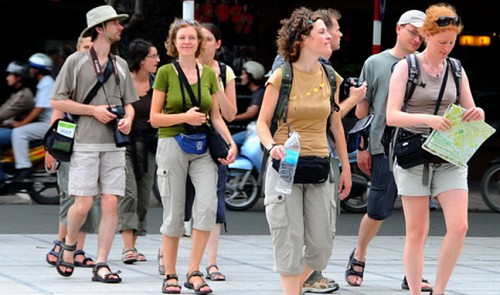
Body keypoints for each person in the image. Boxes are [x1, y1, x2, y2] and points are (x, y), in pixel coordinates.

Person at [386, 4, 484, 294]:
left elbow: (471, 108)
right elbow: (391, 116)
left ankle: (439, 290)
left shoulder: (456, 68)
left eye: (452, 42)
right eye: (442, 42)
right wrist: (428, 119)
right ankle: (416, 291)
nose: (447, 48)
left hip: (449, 153)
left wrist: (476, 113)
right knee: (416, 232)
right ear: (427, 35)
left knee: (459, 226)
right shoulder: (406, 67)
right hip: (413, 153)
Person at [255, 7, 351, 295]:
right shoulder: (282, 76)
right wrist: (272, 146)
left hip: (320, 164)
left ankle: (293, 287)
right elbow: (261, 122)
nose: (329, 36)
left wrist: (345, 166)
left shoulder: (330, 75)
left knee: (322, 245)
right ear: (303, 39)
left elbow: (335, 123)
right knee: (289, 238)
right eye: (322, 32)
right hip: (285, 164)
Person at [347, 10, 433, 292]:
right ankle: (359, 253)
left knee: (417, 215)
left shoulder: (428, 63)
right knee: (378, 209)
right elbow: (363, 110)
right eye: (412, 32)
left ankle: (413, 272)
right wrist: (362, 147)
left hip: (419, 147)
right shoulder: (376, 63)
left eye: (422, 35)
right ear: (398, 29)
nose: (417, 39)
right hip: (383, 145)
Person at [50, 5, 137, 283]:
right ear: (100, 28)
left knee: (111, 201)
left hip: (114, 142)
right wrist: (93, 111)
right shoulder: (75, 61)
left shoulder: (120, 64)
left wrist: (129, 119)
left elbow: (129, 104)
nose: (120, 27)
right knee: (83, 203)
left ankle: (102, 262)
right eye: (114, 23)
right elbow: (57, 101)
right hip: (84, 142)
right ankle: (69, 245)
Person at [150, 18, 237, 294]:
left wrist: (230, 141)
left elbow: (216, 116)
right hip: (172, 143)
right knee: (174, 212)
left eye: (192, 37)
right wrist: (184, 117)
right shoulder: (165, 72)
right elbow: (154, 118)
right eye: (182, 38)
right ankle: (171, 274)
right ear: (174, 43)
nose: (187, 42)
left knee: (208, 207)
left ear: (199, 42)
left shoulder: (210, 74)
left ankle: (194, 271)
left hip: (203, 147)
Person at [45, 35, 98, 269]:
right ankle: (61, 244)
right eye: (85, 47)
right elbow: (58, 112)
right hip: (69, 139)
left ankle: (77, 248)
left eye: (92, 48)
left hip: (95, 142)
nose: (89, 51)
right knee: (70, 195)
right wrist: (51, 149)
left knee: (88, 198)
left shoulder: (105, 74)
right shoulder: (70, 73)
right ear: (77, 49)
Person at [118, 38, 159, 264]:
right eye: (153, 56)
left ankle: (133, 245)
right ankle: (126, 247)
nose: (157, 60)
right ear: (141, 59)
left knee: (143, 197)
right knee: (129, 194)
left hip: (150, 146)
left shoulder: (157, 83)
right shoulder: (122, 82)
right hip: (124, 145)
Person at [10, 53, 54, 181]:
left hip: (49, 124)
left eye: (31, 68)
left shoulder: (47, 83)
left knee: (19, 132)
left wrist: (22, 123)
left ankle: (24, 166)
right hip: (46, 122)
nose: (29, 71)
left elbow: (38, 109)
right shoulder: (43, 83)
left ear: (36, 69)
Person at [0, 61, 34, 186]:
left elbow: (3, 114)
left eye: (10, 75)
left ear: (18, 77)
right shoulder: (16, 93)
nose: (7, 78)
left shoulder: (24, 95)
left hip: (16, 131)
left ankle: (1, 177)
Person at [231, 60, 265, 147]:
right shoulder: (257, 92)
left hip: (256, 132)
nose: (241, 77)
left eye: (243, 74)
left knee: (230, 142)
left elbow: (251, 113)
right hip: (255, 130)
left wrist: (232, 118)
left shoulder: (259, 93)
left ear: (251, 76)